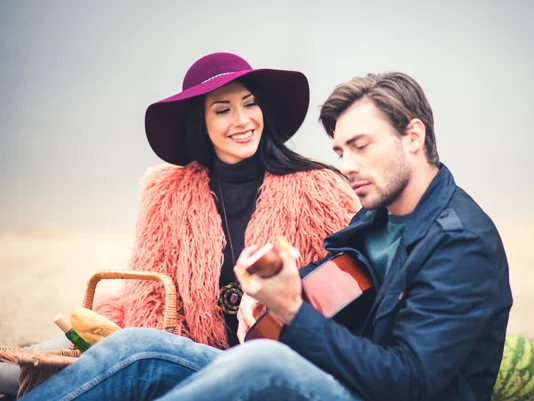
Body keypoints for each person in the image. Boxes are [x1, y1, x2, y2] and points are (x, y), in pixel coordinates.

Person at [19, 71, 513, 401]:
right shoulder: (378, 217)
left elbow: (408, 381)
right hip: (336, 372)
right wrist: (273, 295)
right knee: (139, 348)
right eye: (340, 150)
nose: (346, 167)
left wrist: (291, 314)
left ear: (413, 135)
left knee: (259, 362)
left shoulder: (461, 243)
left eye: (360, 146)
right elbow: (343, 298)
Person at [0, 52, 359, 398]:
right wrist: (168, 349)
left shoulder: (318, 188)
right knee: (20, 368)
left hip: (278, 364)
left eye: (250, 103)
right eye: (223, 110)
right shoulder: (168, 192)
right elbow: (149, 295)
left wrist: (278, 299)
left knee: (130, 353)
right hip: (192, 357)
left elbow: (346, 283)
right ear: (199, 122)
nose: (243, 120)